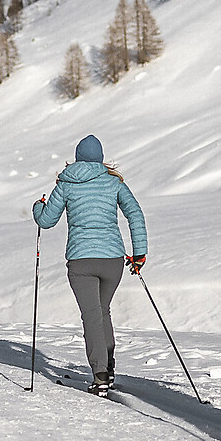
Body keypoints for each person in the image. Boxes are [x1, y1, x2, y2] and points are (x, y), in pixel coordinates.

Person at [33, 135, 147, 396]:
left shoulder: (66, 183)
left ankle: (100, 375)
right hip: (113, 261)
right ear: (100, 158)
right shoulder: (114, 182)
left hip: (81, 261)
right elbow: (135, 214)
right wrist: (139, 253)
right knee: (102, 312)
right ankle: (109, 368)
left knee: (92, 316)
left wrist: (38, 207)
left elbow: (46, 221)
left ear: (77, 157)